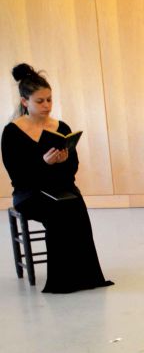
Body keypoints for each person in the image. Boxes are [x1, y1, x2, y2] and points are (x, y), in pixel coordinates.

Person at [2, 64, 112, 293]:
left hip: (60, 187)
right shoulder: (12, 132)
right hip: (29, 193)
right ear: (25, 102)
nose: (46, 106)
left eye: (49, 100)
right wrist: (43, 163)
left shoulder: (60, 127)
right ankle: (63, 280)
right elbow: (17, 175)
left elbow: (73, 167)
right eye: (40, 101)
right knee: (57, 212)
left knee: (76, 207)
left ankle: (86, 276)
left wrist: (63, 161)